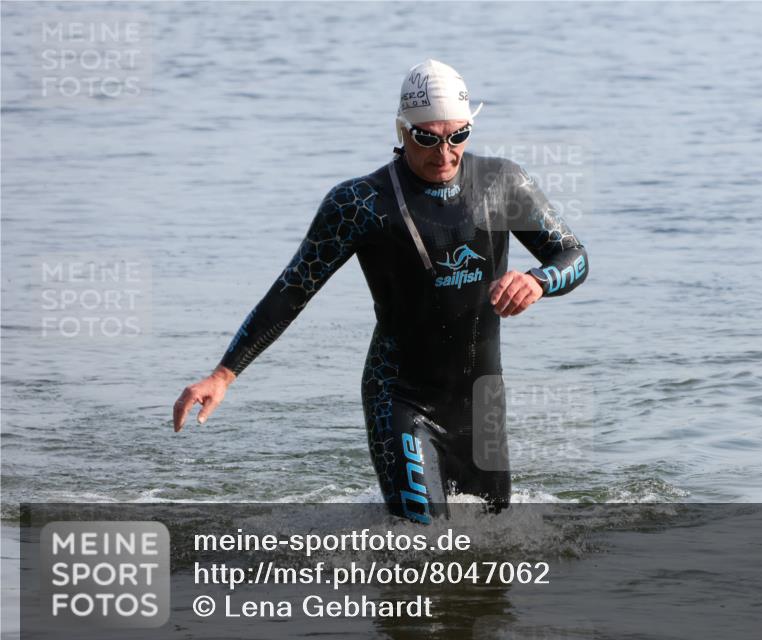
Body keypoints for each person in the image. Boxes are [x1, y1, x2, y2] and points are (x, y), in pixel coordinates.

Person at [173, 59, 588, 523]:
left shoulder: (503, 182)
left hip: (482, 399)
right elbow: (293, 289)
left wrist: (538, 281)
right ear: (402, 129)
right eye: (428, 137)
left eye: (458, 136)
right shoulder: (359, 204)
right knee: (423, 546)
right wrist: (224, 374)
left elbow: (573, 255)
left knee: (495, 546)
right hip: (402, 395)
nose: (445, 153)